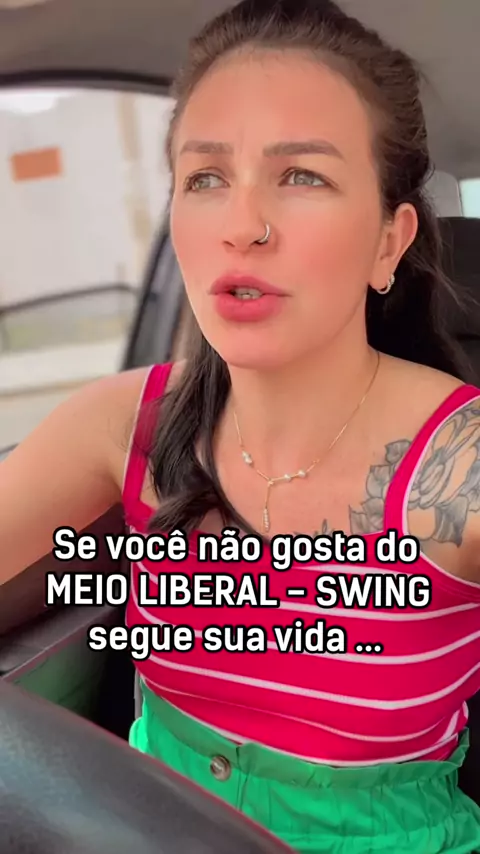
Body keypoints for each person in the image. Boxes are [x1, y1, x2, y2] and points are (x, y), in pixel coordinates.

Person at [2, 0, 480, 850]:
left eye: (303, 177)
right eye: (205, 178)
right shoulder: (127, 423)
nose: (242, 227)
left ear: (388, 241)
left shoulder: (460, 464)